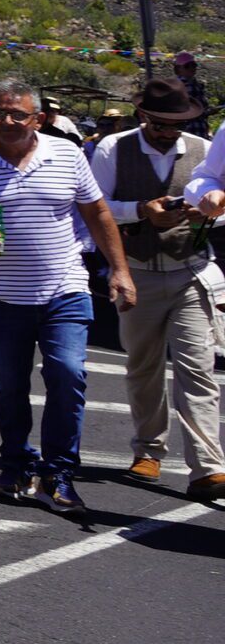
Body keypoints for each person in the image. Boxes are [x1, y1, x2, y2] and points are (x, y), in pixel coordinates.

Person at [0, 82, 134, 516]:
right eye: (0, 113)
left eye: (18, 114)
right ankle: (16, 464)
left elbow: (97, 212)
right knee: (10, 384)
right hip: (0, 293)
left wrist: (120, 271)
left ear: (37, 118)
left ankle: (58, 473)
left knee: (68, 373)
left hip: (64, 287)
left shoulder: (68, 155)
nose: (8, 121)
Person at [89, 79, 223, 500]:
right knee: (143, 366)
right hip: (139, 271)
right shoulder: (114, 149)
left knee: (197, 368)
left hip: (190, 270)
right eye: (161, 124)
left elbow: (216, 202)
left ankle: (207, 466)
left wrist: (205, 216)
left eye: (177, 124)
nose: (169, 132)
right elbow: (96, 205)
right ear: (144, 116)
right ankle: (148, 449)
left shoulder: (202, 151)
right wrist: (140, 212)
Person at [172, 52, 210, 135]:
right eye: (187, 66)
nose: (191, 68)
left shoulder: (196, 84)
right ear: (179, 68)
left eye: (193, 65)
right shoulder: (179, 86)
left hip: (200, 129)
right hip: (189, 130)